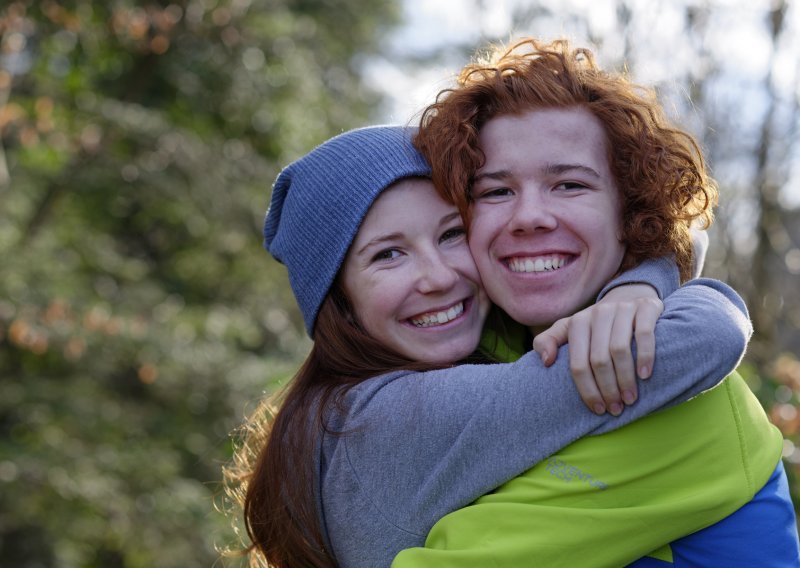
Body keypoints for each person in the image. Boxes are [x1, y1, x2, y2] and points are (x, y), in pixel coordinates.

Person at [224, 125, 756, 568]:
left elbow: (688, 236)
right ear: (338, 301)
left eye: (452, 234)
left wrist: (639, 280)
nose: (437, 277)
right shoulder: (385, 419)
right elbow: (705, 339)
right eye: (388, 255)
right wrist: (647, 285)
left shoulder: (335, 407)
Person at [399, 37, 799, 566]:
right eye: (495, 192)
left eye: (568, 185)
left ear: (630, 214)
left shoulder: (668, 385)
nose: (529, 217)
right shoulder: (484, 340)